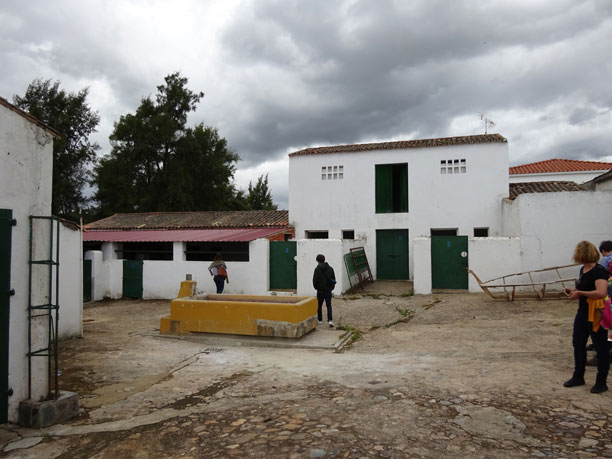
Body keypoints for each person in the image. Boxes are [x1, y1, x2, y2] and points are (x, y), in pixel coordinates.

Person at [563, 241, 610, 393]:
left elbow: (601, 292)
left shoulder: (599, 271)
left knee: (601, 347)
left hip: (596, 314)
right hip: (583, 312)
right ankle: (578, 376)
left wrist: (581, 293)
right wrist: (575, 292)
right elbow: (585, 290)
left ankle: (601, 382)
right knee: (578, 343)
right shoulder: (583, 269)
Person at [313, 254, 336, 327]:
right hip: (328, 290)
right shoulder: (330, 268)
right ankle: (330, 320)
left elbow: (314, 280)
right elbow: (333, 279)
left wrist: (316, 288)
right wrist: (332, 288)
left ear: (317, 260)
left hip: (320, 291)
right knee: (328, 305)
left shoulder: (317, 269)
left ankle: (320, 320)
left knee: (319, 306)